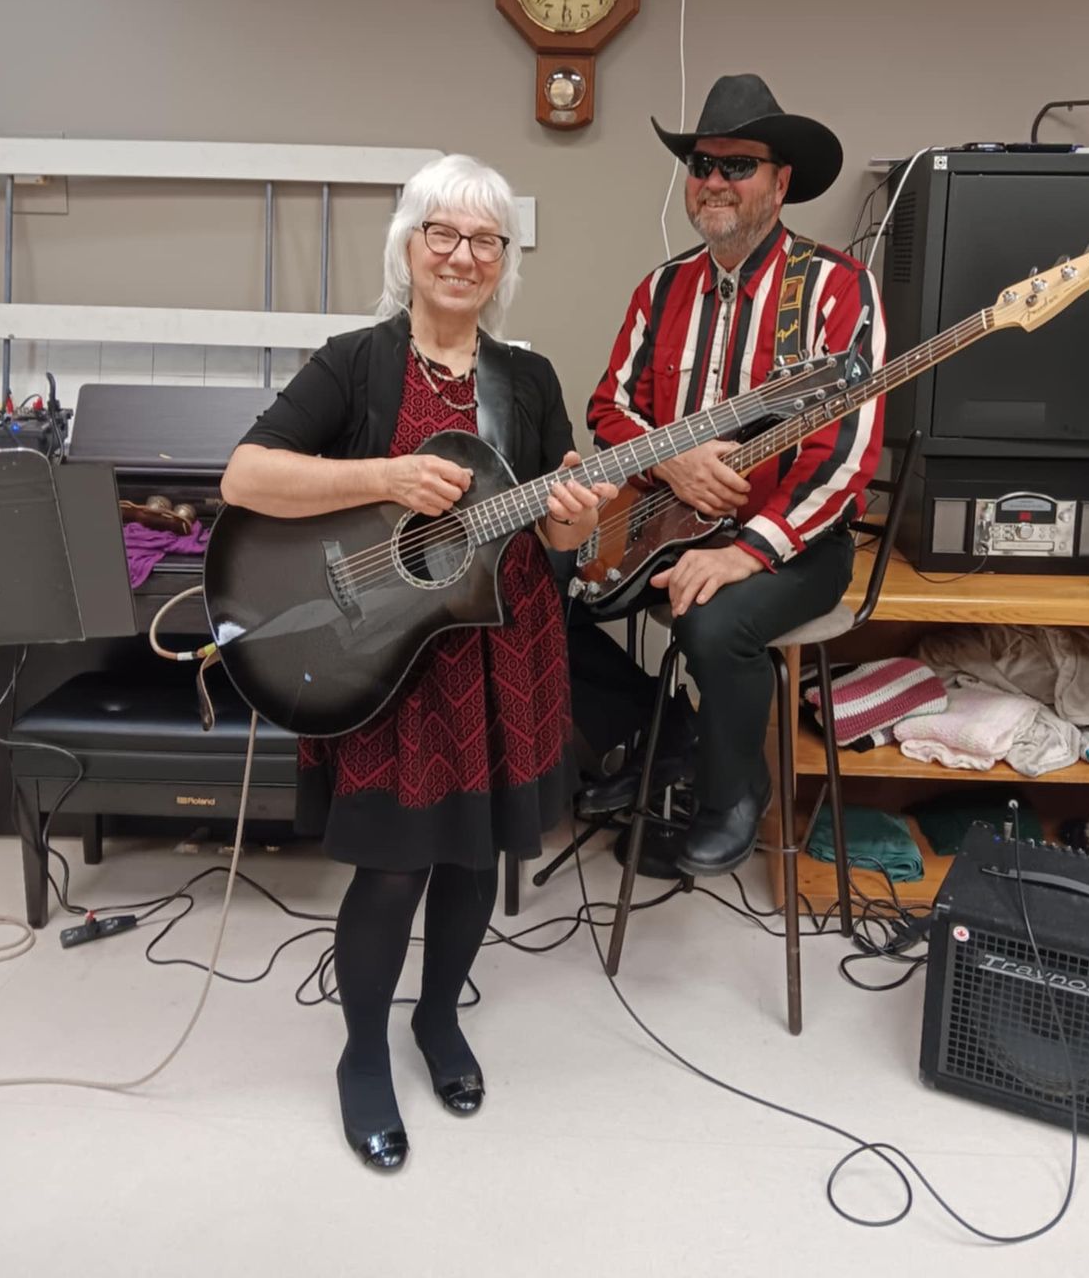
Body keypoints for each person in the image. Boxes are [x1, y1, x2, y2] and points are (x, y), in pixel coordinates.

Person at [221, 154, 615, 1174]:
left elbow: (555, 533)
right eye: (443, 232)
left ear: (504, 261)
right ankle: (363, 1053)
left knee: (475, 857)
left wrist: (576, 522)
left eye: (486, 239)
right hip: (391, 653)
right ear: (408, 245)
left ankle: (439, 1019)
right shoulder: (355, 363)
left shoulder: (527, 378)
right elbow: (246, 475)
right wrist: (386, 476)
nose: (462, 254)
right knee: (395, 865)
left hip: (502, 648)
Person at [581, 73, 886, 877]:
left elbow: (846, 451)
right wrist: (670, 458)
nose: (714, 181)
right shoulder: (660, 289)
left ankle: (732, 792)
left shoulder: (835, 289)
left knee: (712, 623)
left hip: (796, 543)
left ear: (780, 184)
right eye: (702, 164)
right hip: (668, 524)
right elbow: (609, 408)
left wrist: (746, 552)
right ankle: (664, 734)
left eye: (737, 165)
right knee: (527, 585)